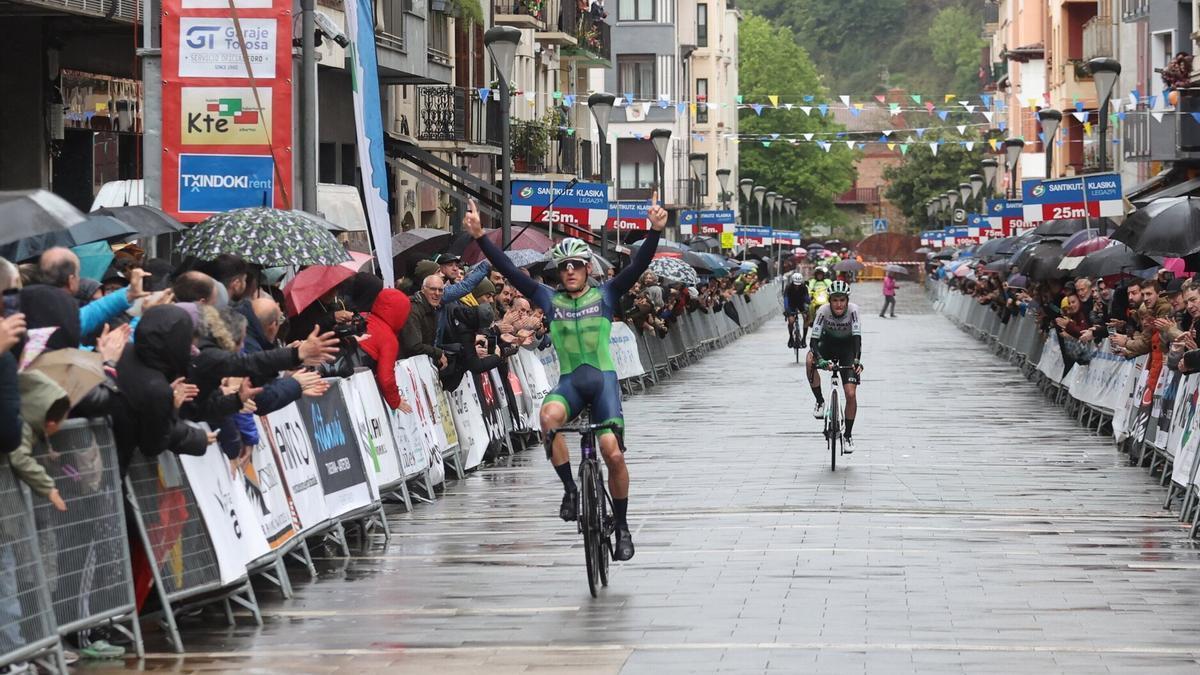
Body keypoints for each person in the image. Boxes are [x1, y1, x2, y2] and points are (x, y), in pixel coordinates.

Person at [464, 192, 668, 562]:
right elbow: (508, 270)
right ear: (558, 272)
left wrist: (653, 231)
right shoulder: (546, 298)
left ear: (587, 268)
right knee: (547, 418)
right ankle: (571, 491)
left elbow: (637, 266)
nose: (570, 270)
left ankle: (621, 527)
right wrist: (479, 237)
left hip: (603, 383)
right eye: (564, 266)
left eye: (576, 264)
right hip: (571, 384)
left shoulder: (607, 294)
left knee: (612, 454)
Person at [806, 280, 863, 452]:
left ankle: (848, 436)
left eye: (842, 300)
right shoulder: (823, 311)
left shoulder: (853, 311)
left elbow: (857, 339)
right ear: (829, 301)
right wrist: (820, 360)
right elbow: (813, 341)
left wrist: (857, 360)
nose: (838, 304)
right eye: (835, 300)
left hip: (847, 349)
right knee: (810, 360)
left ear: (847, 301)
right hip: (827, 345)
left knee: (850, 394)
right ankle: (820, 401)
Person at [782, 271, 810, 349]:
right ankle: (791, 337)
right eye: (795, 285)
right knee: (791, 321)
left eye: (798, 285)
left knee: (806, 318)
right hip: (791, 304)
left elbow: (807, 299)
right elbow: (786, 300)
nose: (797, 286)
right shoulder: (788, 287)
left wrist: (808, 302)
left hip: (801, 303)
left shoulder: (804, 287)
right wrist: (787, 309)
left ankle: (804, 339)